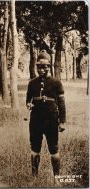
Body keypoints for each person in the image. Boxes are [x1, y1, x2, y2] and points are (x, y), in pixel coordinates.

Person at [26, 50, 66, 181]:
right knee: (35, 147)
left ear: (49, 67)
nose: (41, 69)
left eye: (44, 67)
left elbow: (61, 104)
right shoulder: (32, 83)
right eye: (39, 67)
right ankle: (34, 177)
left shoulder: (56, 83)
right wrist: (29, 105)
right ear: (36, 67)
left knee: (53, 149)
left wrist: (62, 122)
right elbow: (28, 100)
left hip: (51, 120)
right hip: (36, 121)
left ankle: (57, 178)